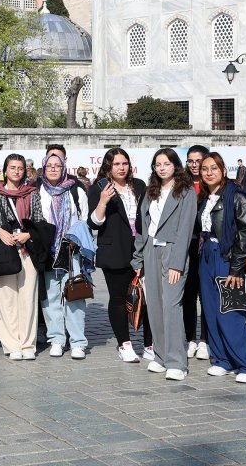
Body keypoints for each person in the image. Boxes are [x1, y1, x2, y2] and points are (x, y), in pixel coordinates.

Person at [195, 152, 246, 383]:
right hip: (207, 255)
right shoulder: (206, 198)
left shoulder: (237, 195)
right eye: (205, 169)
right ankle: (222, 360)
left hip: (228, 258)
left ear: (223, 170)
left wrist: (236, 269)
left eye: (214, 168)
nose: (209, 173)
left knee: (230, 313)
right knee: (211, 311)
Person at [132, 149, 199, 381]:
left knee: (171, 305)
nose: (161, 168)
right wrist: (138, 258)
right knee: (154, 306)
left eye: (166, 164)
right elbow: (142, 227)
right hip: (151, 250)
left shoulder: (186, 192)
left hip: (173, 251)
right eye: (157, 164)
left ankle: (177, 361)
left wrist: (177, 264)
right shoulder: (150, 191)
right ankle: (160, 356)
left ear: (175, 166)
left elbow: (186, 230)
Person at [88, 148, 152, 363]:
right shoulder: (99, 188)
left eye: (124, 163)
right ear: (108, 166)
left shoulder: (140, 186)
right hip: (115, 251)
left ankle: (150, 344)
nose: (121, 168)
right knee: (118, 298)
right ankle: (124, 344)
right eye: (116, 164)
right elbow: (94, 223)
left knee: (147, 297)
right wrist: (103, 201)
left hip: (142, 249)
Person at [32, 153, 91, 360]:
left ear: (64, 168)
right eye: (49, 166)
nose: (53, 169)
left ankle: (77, 342)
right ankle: (56, 339)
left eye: (57, 165)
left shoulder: (76, 190)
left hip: (71, 250)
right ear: (44, 168)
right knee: (50, 298)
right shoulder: (38, 191)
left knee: (74, 295)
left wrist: (76, 239)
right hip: (47, 250)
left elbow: (84, 220)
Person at [0, 154, 40, 360]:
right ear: (5, 170)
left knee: (28, 298)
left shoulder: (32, 193)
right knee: (6, 298)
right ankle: (11, 344)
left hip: (27, 250)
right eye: (12, 168)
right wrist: (0, 231)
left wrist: (28, 235)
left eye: (20, 168)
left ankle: (27, 344)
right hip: (4, 250)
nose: (17, 171)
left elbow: (39, 220)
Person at [183, 145, 211, 360]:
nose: (194, 165)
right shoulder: (181, 184)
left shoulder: (212, 184)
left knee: (207, 295)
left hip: (207, 247)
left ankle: (205, 340)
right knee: (189, 295)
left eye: (198, 161)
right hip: (187, 247)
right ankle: (190, 338)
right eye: (190, 161)